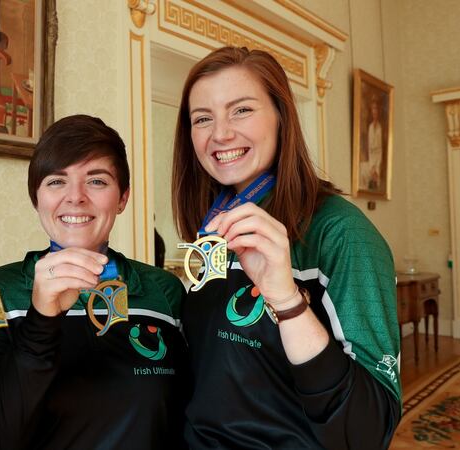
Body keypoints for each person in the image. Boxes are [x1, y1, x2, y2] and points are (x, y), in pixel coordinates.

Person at [171, 46, 401, 449]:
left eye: (241, 110)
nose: (220, 133)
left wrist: (288, 300)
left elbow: (368, 429)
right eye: (202, 118)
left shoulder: (342, 235)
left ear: (281, 116)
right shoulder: (210, 228)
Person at [0, 115, 188, 449]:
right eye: (56, 181)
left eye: (96, 181)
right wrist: (42, 318)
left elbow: (189, 419)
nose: (75, 197)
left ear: (122, 197)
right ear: (37, 197)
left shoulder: (163, 292)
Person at [362, 97, 383, 191]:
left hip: (378, 156)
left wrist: (376, 164)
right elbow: (370, 146)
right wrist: (372, 165)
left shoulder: (379, 127)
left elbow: (379, 148)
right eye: (373, 110)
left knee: (374, 170)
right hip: (372, 156)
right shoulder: (370, 127)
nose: (374, 113)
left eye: (376, 110)